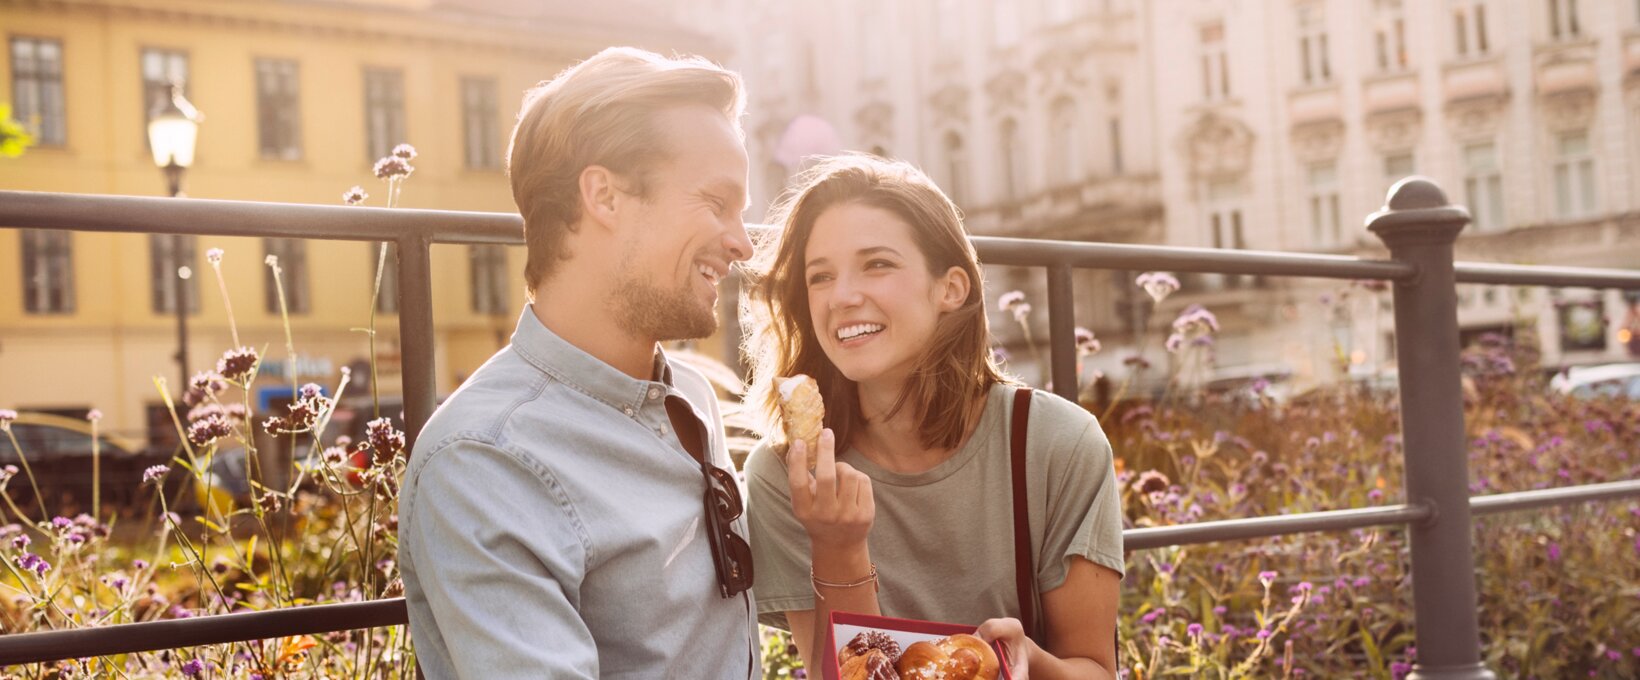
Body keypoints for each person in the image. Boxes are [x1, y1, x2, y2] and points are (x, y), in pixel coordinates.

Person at [398, 47, 759, 678]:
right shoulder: (486, 461)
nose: (743, 242)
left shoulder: (690, 398)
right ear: (605, 196)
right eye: (716, 203)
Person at [743, 155, 1125, 678]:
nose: (843, 297)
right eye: (820, 276)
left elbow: (1095, 670)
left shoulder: (1058, 443)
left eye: (877, 264)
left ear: (951, 288)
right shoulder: (789, 473)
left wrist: (1026, 663)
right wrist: (838, 548)